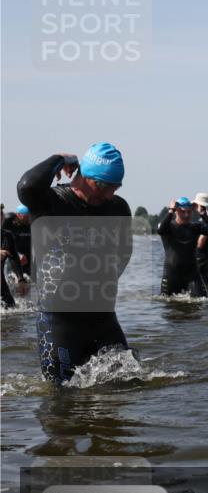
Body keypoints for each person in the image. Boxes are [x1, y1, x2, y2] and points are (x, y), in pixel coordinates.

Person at [16, 143, 133, 382]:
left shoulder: (117, 208)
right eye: (104, 186)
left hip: (104, 319)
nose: (110, 194)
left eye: (116, 187)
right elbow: (27, 185)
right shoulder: (51, 202)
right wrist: (60, 158)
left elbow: (124, 251)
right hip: (60, 324)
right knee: (61, 403)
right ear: (85, 177)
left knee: (127, 385)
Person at [157, 197, 208, 297]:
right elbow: (160, 231)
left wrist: (202, 213)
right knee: (168, 303)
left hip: (192, 273)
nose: (186, 215)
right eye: (183, 212)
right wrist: (170, 211)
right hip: (172, 273)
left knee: (202, 300)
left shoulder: (195, 227)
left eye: (189, 212)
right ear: (176, 211)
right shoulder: (169, 227)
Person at [1, 216, 28, 309]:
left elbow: (14, 258)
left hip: (1, 285)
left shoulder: (7, 235)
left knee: (12, 310)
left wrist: (21, 279)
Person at [2, 203, 33, 275]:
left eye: (29, 216)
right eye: (26, 217)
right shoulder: (9, 222)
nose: (28, 218)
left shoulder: (31, 223)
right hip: (14, 256)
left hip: (29, 257)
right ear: (19, 215)